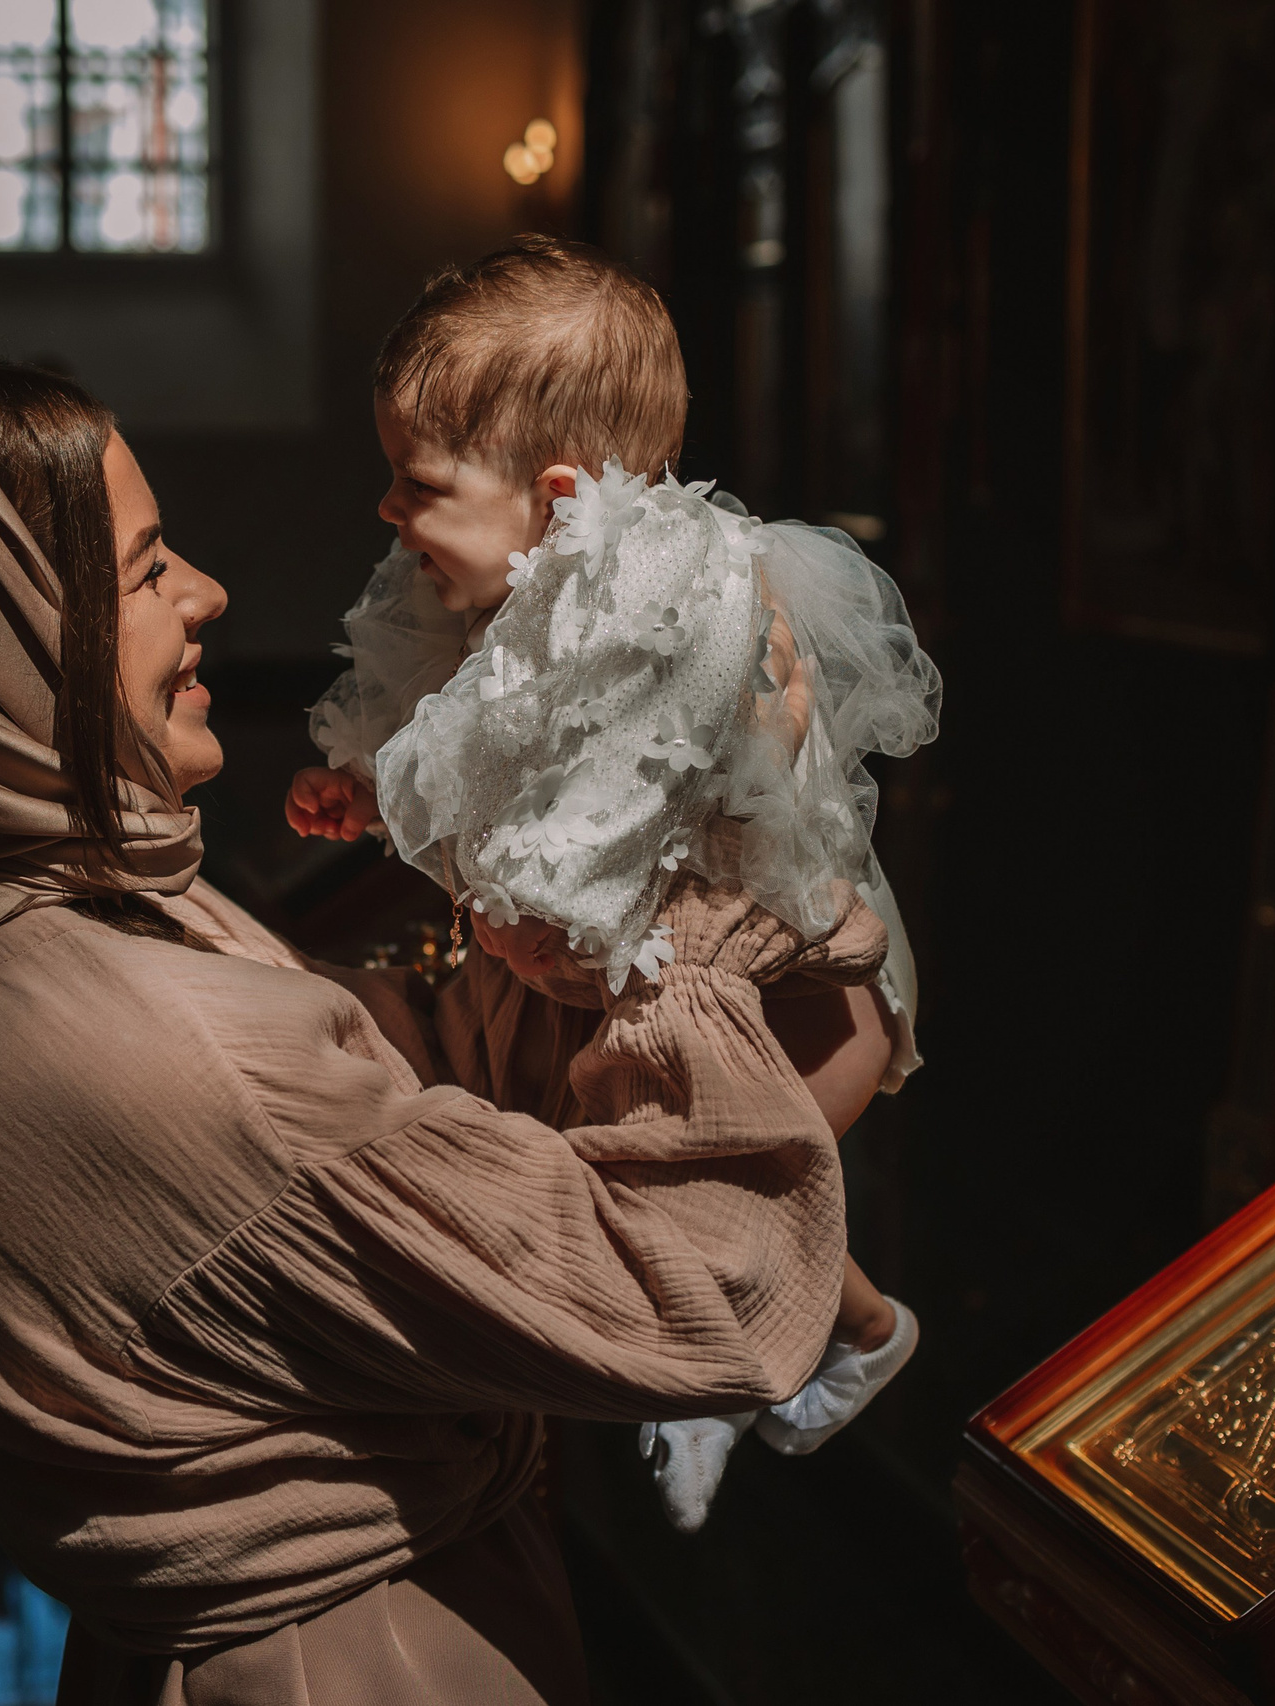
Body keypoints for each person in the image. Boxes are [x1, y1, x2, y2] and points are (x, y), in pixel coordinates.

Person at [0, 352, 888, 1703]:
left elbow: (344, 1141)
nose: (206, 592)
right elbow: (695, 1293)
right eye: (146, 572)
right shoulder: (135, 1038)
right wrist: (704, 902)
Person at [284, 236, 941, 1528]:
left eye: (416, 484)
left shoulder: (677, 603)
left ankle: (727, 1372)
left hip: (770, 970)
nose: (387, 512)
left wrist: (540, 909)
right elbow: (463, 715)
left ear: (559, 491)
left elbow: (606, 817)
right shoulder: (524, 578)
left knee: (675, 1189)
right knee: (629, 1171)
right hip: (643, 967)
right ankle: (838, 1335)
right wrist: (370, 781)